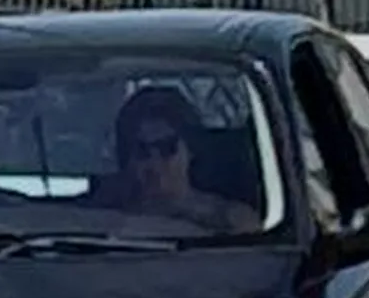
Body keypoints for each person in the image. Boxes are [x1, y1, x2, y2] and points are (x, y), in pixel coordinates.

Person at [94, 85, 258, 231]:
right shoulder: (103, 220)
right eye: (142, 151)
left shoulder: (231, 220)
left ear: (191, 150)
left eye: (167, 148)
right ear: (127, 159)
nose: (154, 163)